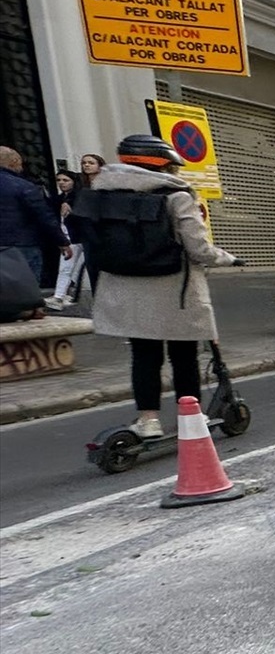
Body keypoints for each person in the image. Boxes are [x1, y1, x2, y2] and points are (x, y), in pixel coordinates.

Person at [86, 134, 239, 439]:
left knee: (144, 355)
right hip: (174, 289)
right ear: (164, 166)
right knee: (184, 355)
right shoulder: (177, 195)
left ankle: (148, 421)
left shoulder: (100, 193)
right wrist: (230, 259)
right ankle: (190, 418)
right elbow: (198, 249)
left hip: (123, 288)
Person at [1, 145, 62, 288]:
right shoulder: (24, 186)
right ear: (14, 162)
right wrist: (62, 241)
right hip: (23, 243)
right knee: (27, 289)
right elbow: (43, 215)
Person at [49, 162, 98, 308]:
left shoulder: (80, 197)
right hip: (69, 236)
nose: (61, 183)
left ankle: (63, 295)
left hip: (79, 237)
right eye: (59, 180)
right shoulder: (58, 199)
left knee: (76, 267)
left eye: (65, 180)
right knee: (68, 266)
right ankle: (62, 295)